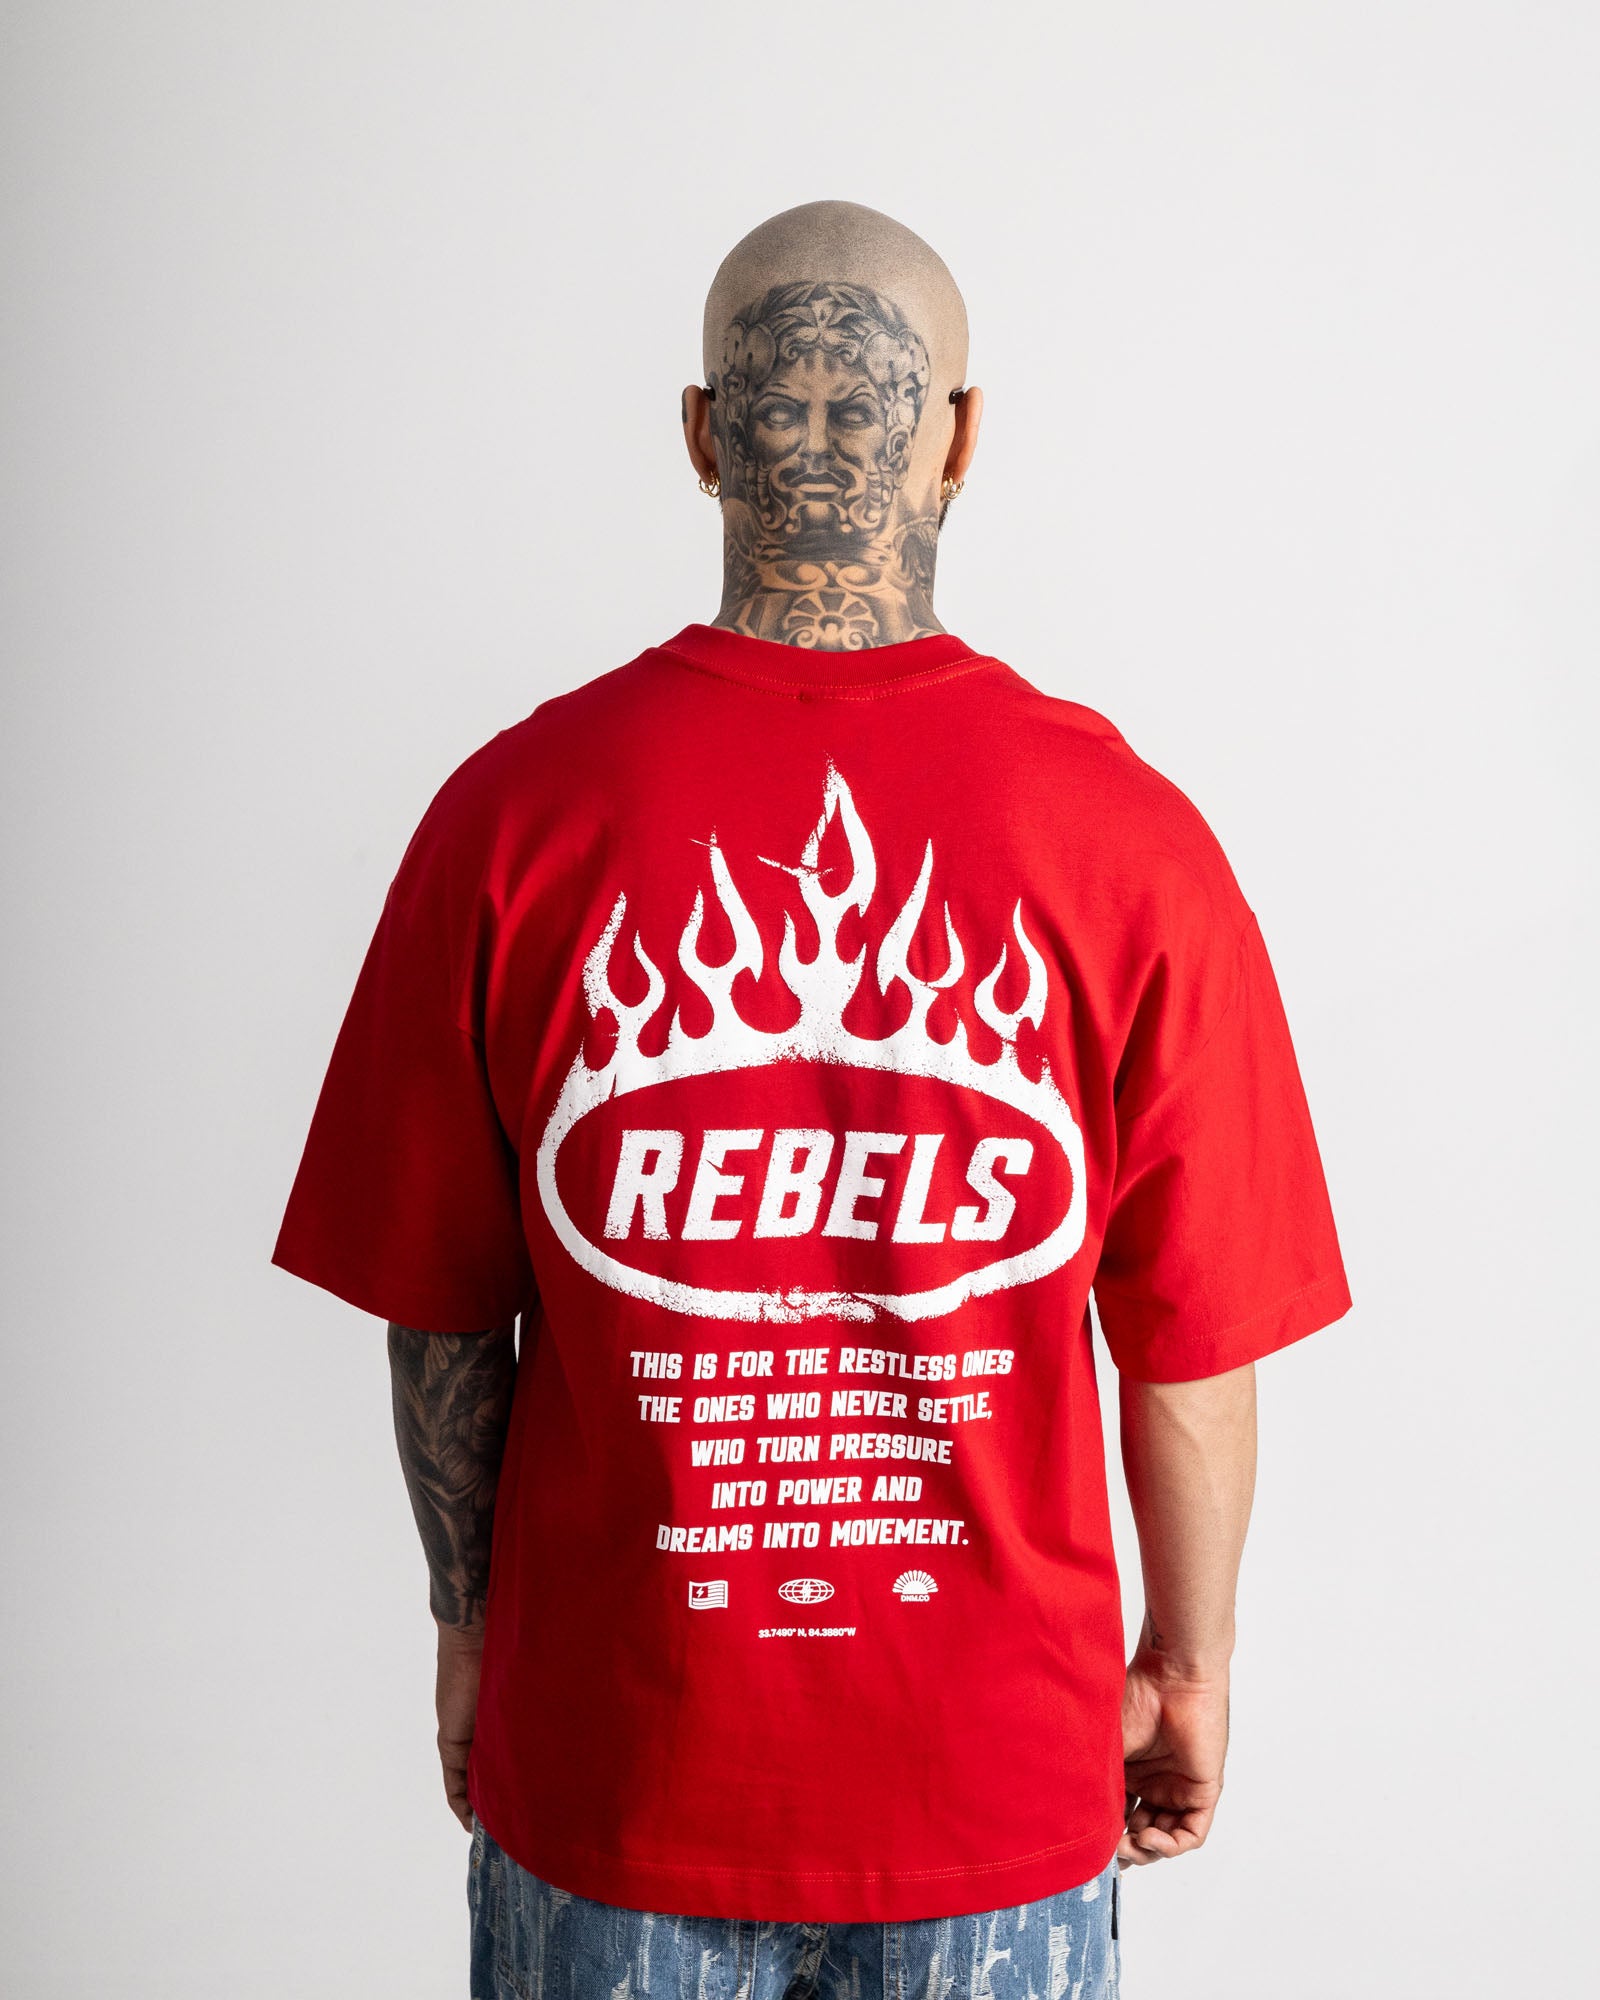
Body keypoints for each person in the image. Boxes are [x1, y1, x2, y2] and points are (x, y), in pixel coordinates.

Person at [272, 200, 1350, 1999]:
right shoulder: (1131, 844)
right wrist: (1189, 1666)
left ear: (698, 436)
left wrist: (468, 1631)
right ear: (969, 437)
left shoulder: (515, 818)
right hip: (991, 1787)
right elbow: (1190, 1353)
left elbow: (443, 1320)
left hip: (616, 1764)